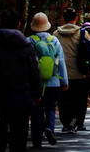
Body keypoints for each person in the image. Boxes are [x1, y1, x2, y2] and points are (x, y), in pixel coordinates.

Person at [0, 8, 42, 152]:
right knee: (19, 137)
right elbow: (34, 71)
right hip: (21, 96)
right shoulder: (26, 45)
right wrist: (37, 94)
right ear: (18, 24)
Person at [28, 12, 68, 147]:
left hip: (35, 83)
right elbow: (60, 61)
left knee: (36, 110)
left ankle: (36, 140)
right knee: (50, 108)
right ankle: (49, 128)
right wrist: (64, 81)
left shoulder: (29, 40)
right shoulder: (53, 40)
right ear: (47, 26)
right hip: (53, 81)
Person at [53, 8, 90, 133]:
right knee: (79, 100)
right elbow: (89, 52)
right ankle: (76, 123)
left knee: (64, 100)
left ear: (64, 18)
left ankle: (66, 124)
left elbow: (55, 55)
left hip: (62, 74)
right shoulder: (82, 33)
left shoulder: (56, 34)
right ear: (76, 18)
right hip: (79, 73)